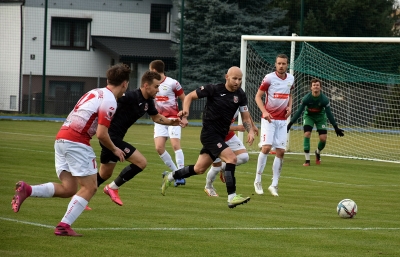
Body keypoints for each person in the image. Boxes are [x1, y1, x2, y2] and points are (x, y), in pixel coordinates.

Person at [11, 63, 131, 236]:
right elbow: (102, 134)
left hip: (61, 138)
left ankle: (28, 189)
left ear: (107, 80)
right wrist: (115, 149)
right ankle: (63, 226)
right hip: (77, 141)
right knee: (90, 187)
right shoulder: (110, 100)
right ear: (125, 83)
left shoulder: (94, 92)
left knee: (69, 189)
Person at [161, 66, 256, 208]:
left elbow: (246, 117)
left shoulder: (240, 95)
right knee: (232, 158)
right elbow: (189, 96)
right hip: (209, 134)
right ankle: (231, 197)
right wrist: (185, 111)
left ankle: (171, 176)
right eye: (234, 78)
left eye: (239, 79)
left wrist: (251, 131)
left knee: (199, 169)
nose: (237, 82)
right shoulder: (214, 89)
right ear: (227, 77)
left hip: (221, 135)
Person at [97, 71, 183, 206]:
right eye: (156, 86)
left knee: (104, 174)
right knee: (141, 162)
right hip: (110, 137)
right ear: (146, 85)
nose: (158, 90)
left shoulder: (148, 101)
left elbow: (156, 117)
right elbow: (108, 100)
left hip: (116, 137)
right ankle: (112, 188)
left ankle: (80, 197)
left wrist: (173, 122)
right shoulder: (130, 96)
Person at [254, 54, 294, 197]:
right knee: (266, 147)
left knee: (281, 151)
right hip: (269, 119)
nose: (281, 66)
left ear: (287, 64)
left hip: (282, 121)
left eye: (284, 63)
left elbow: (289, 94)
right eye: (279, 63)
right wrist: (264, 112)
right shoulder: (269, 78)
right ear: (275, 64)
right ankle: (257, 180)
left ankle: (274, 184)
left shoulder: (291, 78)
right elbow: (257, 96)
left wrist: (290, 107)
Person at [287, 78, 344, 166]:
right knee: (307, 134)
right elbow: (299, 112)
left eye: (317, 85)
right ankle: (307, 160)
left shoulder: (324, 99)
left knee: (323, 138)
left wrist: (335, 127)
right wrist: (290, 124)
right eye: (314, 85)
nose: (316, 87)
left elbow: (329, 114)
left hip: (321, 117)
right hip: (309, 116)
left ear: (320, 87)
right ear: (311, 88)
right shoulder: (306, 98)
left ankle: (317, 152)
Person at [150, 60, 187, 187]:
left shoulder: (173, 83)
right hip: (159, 120)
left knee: (175, 145)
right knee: (159, 148)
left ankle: (180, 175)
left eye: (150, 70)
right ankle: (177, 173)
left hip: (173, 119)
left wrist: (184, 114)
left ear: (154, 70)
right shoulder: (151, 85)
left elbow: (185, 98)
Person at [204, 111, 258, 197]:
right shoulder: (220, 103)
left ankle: (224, 167)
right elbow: (217, 126)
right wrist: (237, 128)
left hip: (229, 136)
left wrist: (253, 126)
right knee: (212, 168)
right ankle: (208, 187)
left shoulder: (238, 100)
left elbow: (246, 114)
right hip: (214, 137)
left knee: (244, 157)